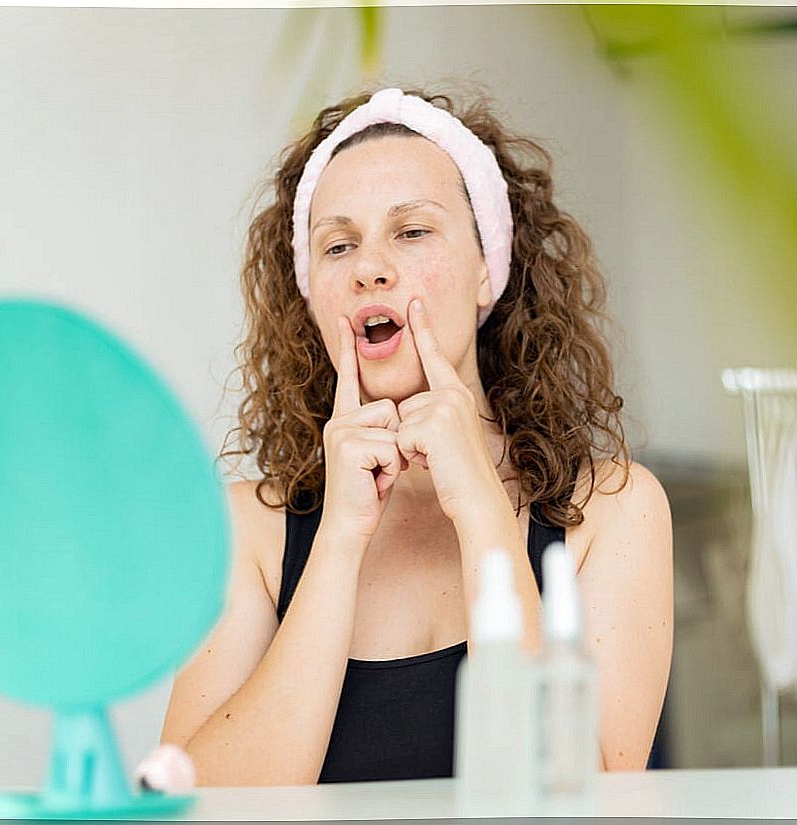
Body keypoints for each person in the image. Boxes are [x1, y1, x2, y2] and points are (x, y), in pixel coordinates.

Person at [160, 86, 673, 786]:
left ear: (488, 266)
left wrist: (483, 510)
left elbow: (579, 795)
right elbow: (199, 805)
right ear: (313, 295)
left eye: (412, 231)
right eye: (338, 245)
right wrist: (337, 540)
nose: (371, 266)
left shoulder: (617, 509)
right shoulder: (247, 530)